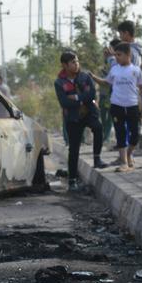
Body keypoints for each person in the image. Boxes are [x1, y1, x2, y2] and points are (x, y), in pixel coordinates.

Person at [54, 51, 107, 191]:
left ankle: (97, 158)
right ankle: (72, 181)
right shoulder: (59, 82)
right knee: (74, 149)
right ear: (65, 65)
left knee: (98, 127)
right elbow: (64, 102)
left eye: (77, 61)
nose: (76, 64)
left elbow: (91, 95)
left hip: (89, 113)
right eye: (73, 62)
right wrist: (81, 99)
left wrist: (77, 98)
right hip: (72, 118)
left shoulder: (85, 76)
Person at [92, 43, 142, 172]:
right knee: (120, 134)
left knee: (135, 135)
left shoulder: (136, 70)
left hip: (132, 106)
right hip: (116, 106)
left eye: (119, 55)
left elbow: (141, 88)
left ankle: (129, 153)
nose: (117, 58)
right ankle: (124, 163)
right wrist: (93, 77)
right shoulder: (114, 69)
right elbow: (106, 82)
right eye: (115, 55)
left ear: (128, 55)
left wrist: (141, 105)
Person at [99, 39, 122, 144]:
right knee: (103, 115)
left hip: (111, 93)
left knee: (110, 117)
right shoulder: (107, 61)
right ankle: (105, 135)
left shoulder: (115, 61)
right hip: (103, 93)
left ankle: (106, 137)